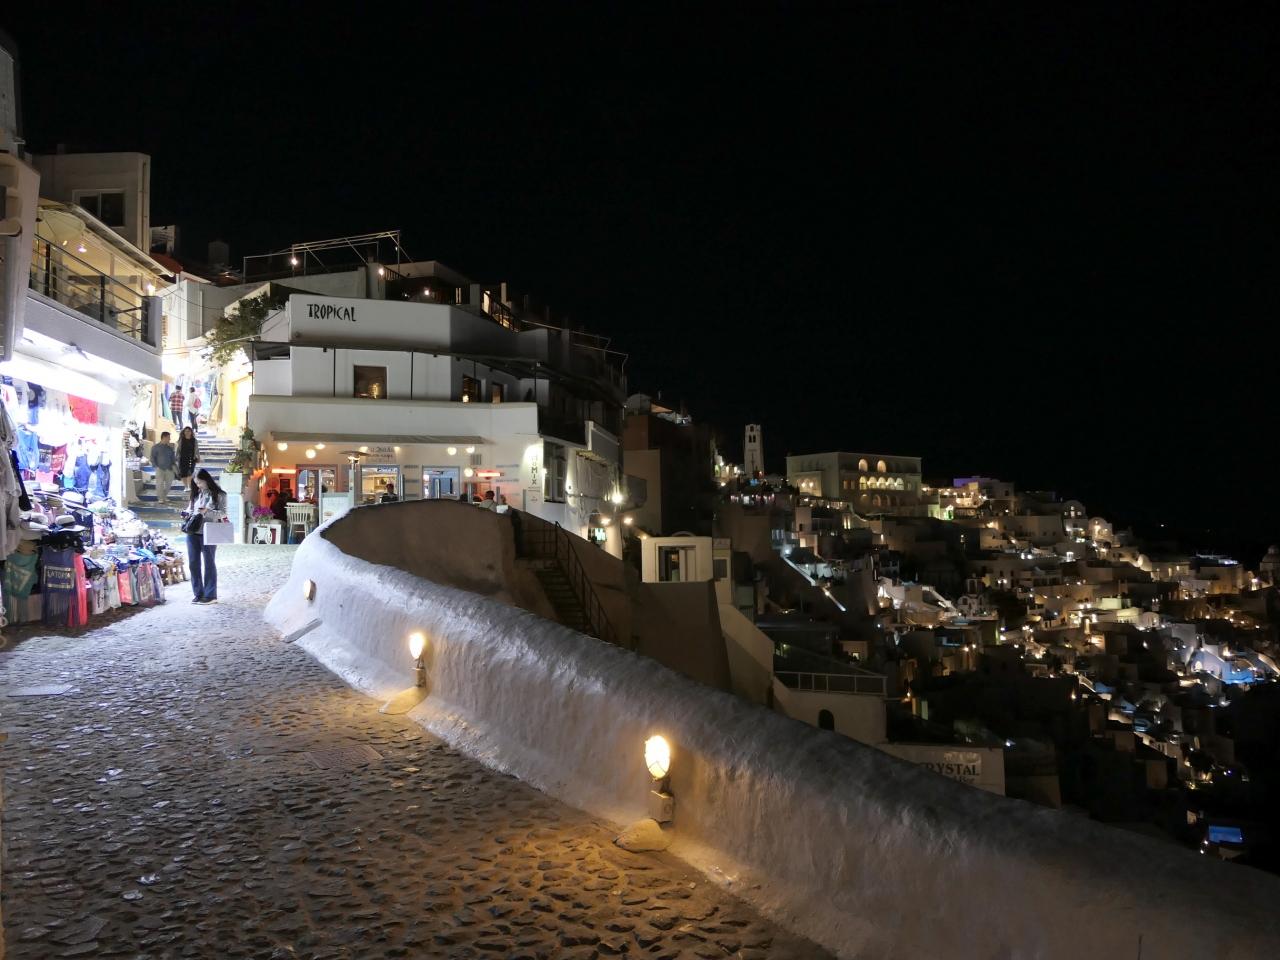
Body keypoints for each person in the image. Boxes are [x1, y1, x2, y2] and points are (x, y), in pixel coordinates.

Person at [185, 468, 226, 604]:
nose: (198, 485)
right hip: (192, 532)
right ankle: (198, 593)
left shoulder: (219, 494)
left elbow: (223, 514)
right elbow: (190, 509)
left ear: (207, 480)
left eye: (200, 482)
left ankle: (210, 595)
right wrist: (186, 513)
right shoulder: (196, 494)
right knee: (193, 563)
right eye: (196, 483)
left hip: (209, 532)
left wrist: (206, 512)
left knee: (209, 563)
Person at [150, 431, 177, 505]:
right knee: (159, 484)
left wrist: (174, 467)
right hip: (159, 468)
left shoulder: (170, 448)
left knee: (169, 484)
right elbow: (152, 458)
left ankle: (164, 496)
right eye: (168, 437)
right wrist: (155, 466)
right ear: (164, 437)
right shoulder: (155, 447)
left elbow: (173, 459)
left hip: (169, 468)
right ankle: (160, 498)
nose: (169, 439)